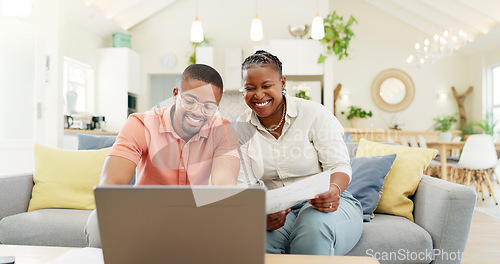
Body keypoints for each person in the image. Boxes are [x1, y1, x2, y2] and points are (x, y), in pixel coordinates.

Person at [85, 64, 240, 247]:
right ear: (176, 94)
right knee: (98, 220)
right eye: (189, 101)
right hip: (142, 215)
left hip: (195, 217)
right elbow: (111, 185)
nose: (198, 112)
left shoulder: (221, 129)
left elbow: (224, 188)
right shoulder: (141, 124)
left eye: (208, 107)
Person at [236, 50, 363, 255]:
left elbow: (339, 166)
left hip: (323, 204)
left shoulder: (313, 113)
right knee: (254, 243)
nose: (258, 95)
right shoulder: (241, 128)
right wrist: (259, 214)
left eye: (267, 86)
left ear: (283, 82)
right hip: (280, 210)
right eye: (250, 88)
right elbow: (245, 185)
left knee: (313, 230)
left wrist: (333, 190)